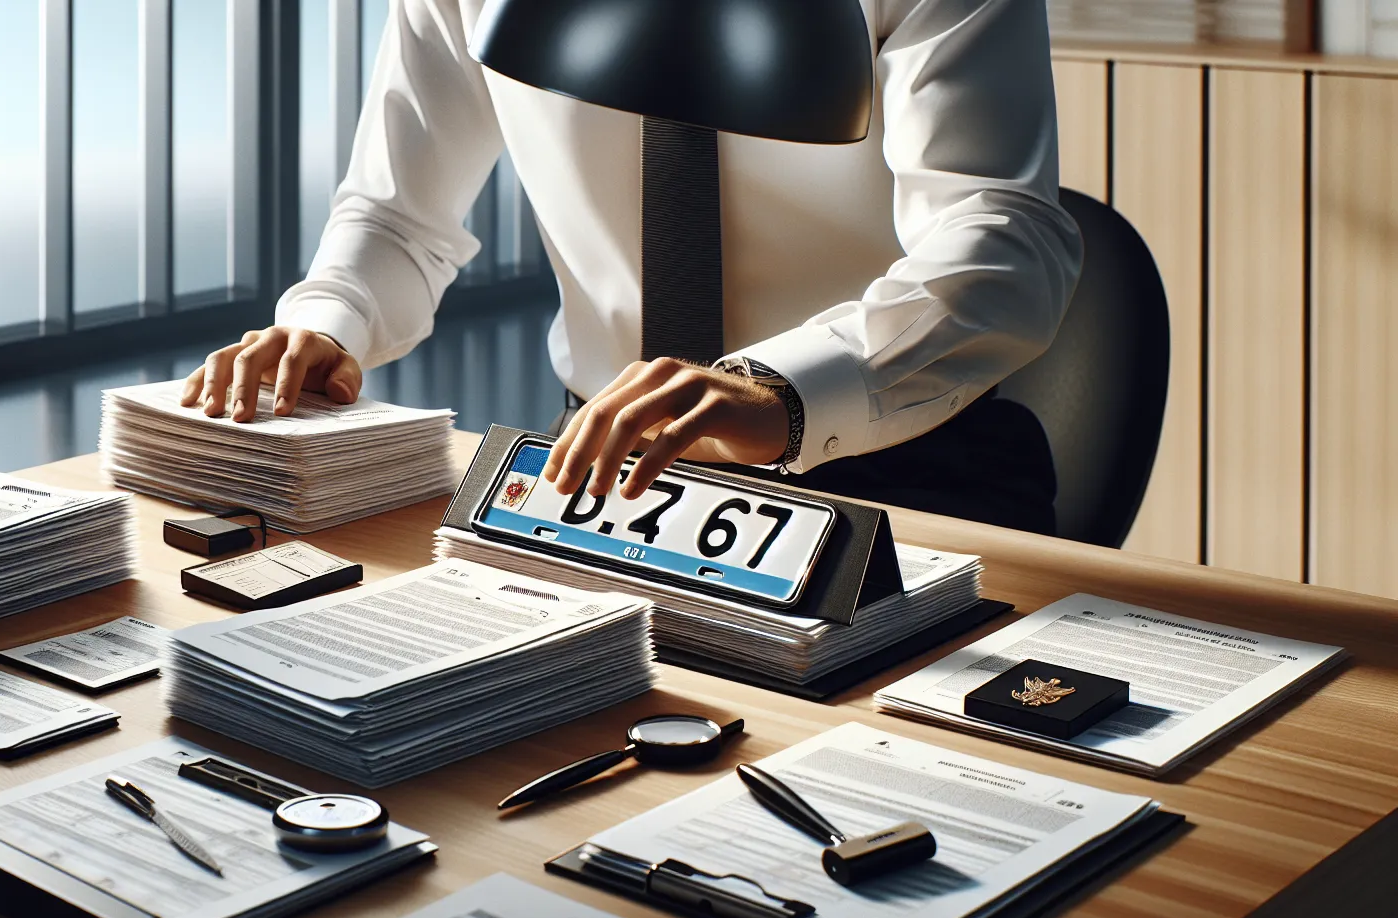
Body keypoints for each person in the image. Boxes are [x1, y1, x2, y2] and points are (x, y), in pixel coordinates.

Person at [180, 0, 1081, 535]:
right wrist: (328, 319)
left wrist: (784, 391)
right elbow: (399, 212)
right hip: (599, 464)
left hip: (895, 471)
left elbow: (1003, 235)